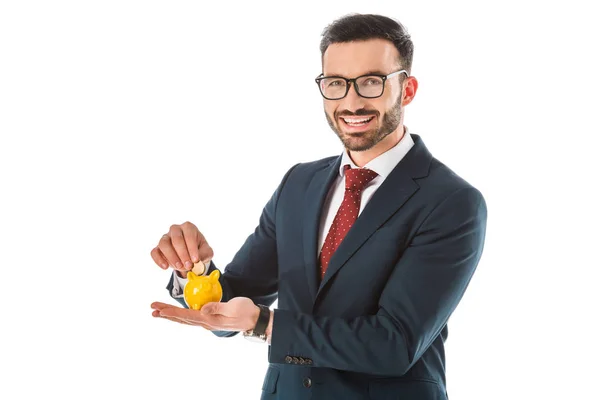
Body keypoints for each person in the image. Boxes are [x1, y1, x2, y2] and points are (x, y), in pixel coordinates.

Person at [150, 13, 487, 400]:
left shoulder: (451, 202)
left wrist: (266, 324)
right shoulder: (299, 183)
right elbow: (233, 301)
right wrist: (195, 271)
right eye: (336, 84)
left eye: (372, 83)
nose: (351, 101)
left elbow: (394, 345)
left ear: (407, 90)